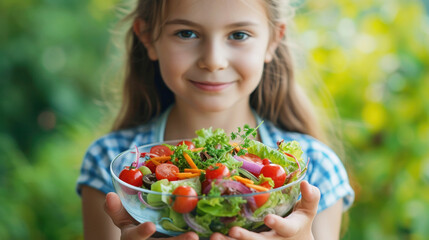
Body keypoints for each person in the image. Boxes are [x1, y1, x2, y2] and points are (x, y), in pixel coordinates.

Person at [76, 0, 355, 239]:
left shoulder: (314, 168)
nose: (213, 60)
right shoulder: (110, 163)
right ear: (148, 38)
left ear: (273, 40)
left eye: (239, 35)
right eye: (186, 33)